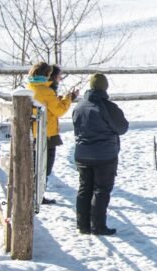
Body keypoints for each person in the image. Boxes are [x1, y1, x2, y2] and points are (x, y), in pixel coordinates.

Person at [72, 73, 129, 235]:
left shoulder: (79, 106)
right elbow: (122, 128)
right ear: (105, 87)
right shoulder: (109, 107)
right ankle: (98, 225)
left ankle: (82, 225)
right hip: (104, 155)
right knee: (101, 190)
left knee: (84, 188)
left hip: (82, 153)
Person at [27, 62, 79, 205]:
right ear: (49, 75)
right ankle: (38, 196)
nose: (59, 79)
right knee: (45, 167)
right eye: (57, 76)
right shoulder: (46, 91)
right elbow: (59, 111)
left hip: (34, 132)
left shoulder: (30, 87)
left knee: (36, 164)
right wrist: (69, 98)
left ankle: (34, 194)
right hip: (46, 133)